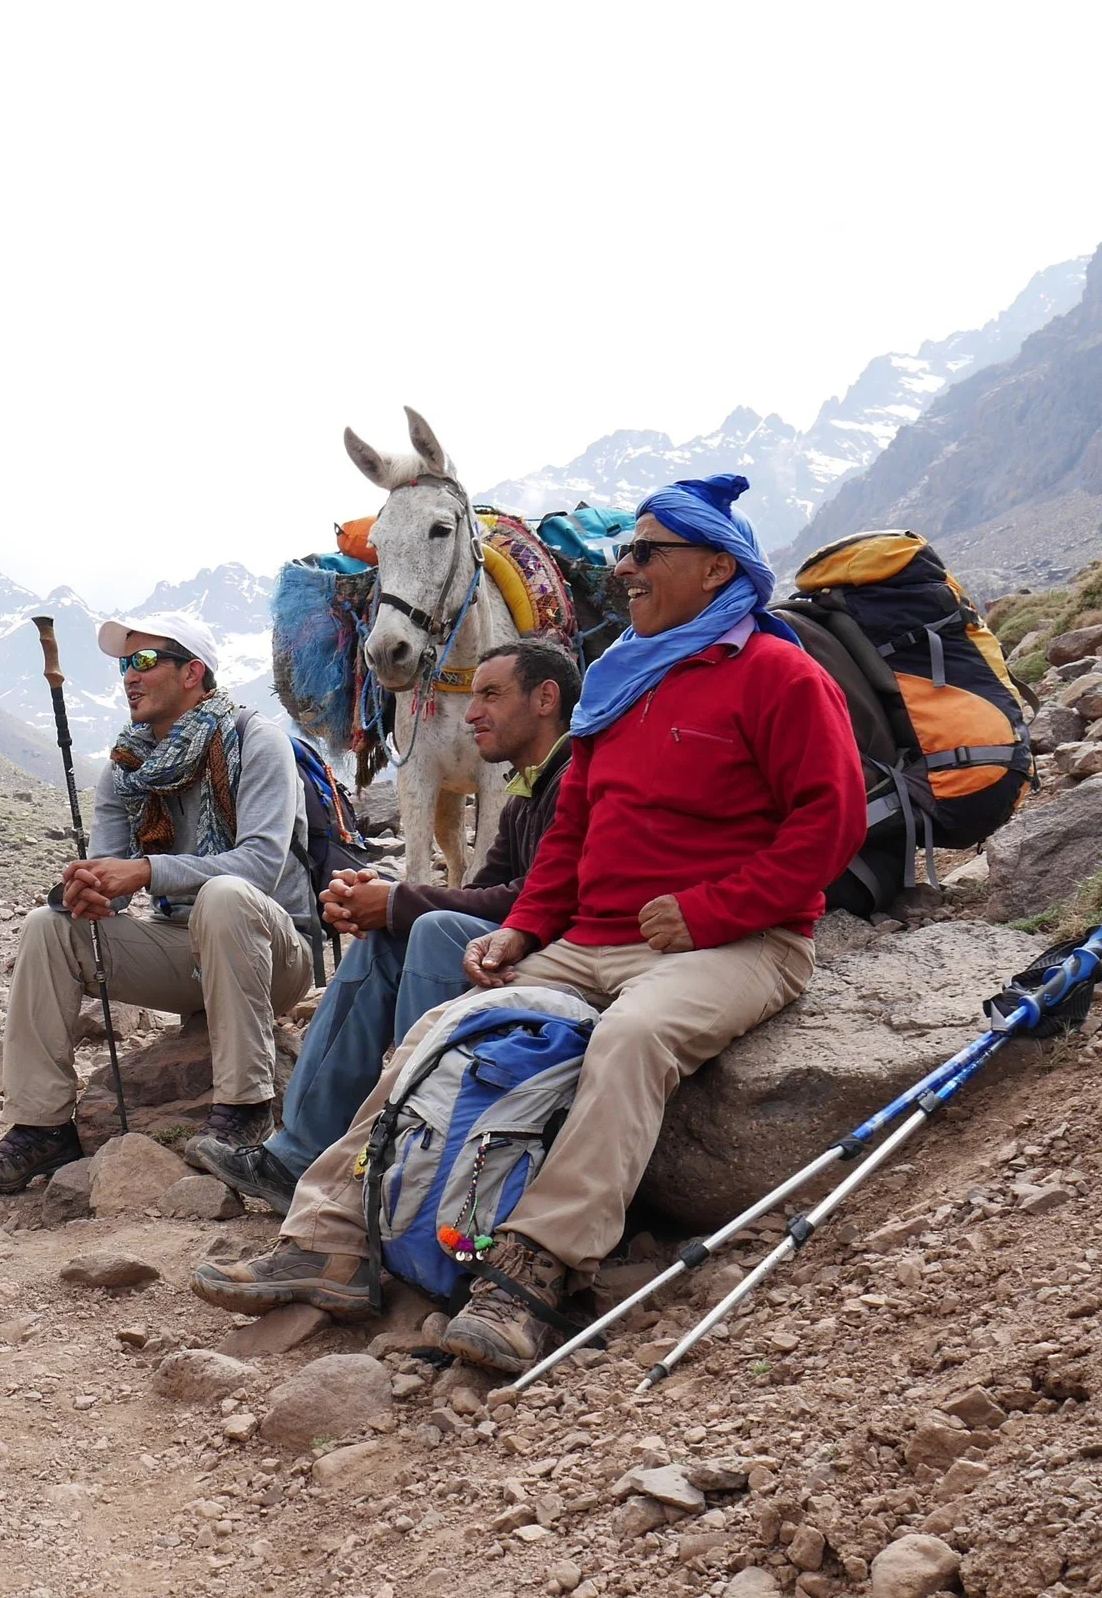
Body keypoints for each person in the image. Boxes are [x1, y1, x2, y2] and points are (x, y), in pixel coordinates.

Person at [190, 474, 869, 1371]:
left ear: (714, 569)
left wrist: (711, 908)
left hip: (742, 941)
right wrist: (523, 929)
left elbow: (832, 823)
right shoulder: (622, 679)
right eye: (625, 550)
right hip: (591, 939)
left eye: (645, 552)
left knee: (632, 1039)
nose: (625, 567)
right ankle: (328, 1238)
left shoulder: (781, 675)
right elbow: (571, 834)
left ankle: (533, 1275)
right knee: (442, 1028)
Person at [188, 638, 580, 1213]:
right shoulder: (527, 791)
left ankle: (409, 1158)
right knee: (383, 943)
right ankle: (296, 1155)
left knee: (430, 930)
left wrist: (398, 902)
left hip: (575, 954)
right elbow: (481, 893)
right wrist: (382, 906)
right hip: (526, 944)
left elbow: (540, 897)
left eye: (490, 695)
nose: (471, 714)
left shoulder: (575, 779)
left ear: (546, 698)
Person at [0, 613, 314, 1195]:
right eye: (125, 664)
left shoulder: (257, 740)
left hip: (274, 954)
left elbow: (260, 865)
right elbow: (110, 875)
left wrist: (147, 871)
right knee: (47, 927)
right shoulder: (128, 768)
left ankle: (247, 1107)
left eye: (145, 662)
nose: (129, 676)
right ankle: (42, 1128)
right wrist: (87, 892)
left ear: (194, 672)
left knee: (225, 895)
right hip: (187, 953)